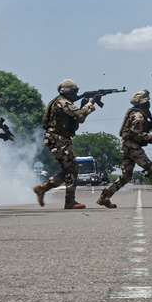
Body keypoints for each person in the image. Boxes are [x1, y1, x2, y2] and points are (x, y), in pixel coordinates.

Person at [95, 90, 152, 209]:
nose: (149, 104)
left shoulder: (138, 114)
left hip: (128, 146)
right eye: (147, 102)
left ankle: (105, 197)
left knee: (127, 176)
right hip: (132, 145)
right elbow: (136, 134)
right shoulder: (138, 116)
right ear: (143, 103)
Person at [34, 79, 97, 209]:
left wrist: (83, 105)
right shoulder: (62, 102)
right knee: (71, 168)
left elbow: (79, 118)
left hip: (60, 138)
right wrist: (91, 102)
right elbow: (79, 115)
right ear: (67, 91)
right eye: (74, 91)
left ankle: (43, 188)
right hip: (57, 138)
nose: (75, 94)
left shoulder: (63, 102)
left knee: (70, 168)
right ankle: (69, 201)